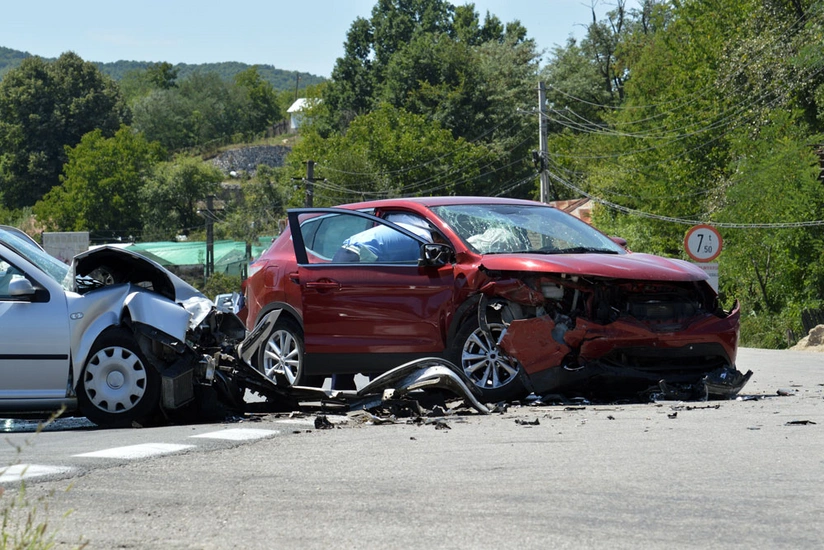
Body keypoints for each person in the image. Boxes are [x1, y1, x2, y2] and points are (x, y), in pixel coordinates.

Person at [333, 218, 433, 263]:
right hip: (361, 255)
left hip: (346, 250)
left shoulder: (414, 230)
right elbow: (421, 268)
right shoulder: (423, 238)